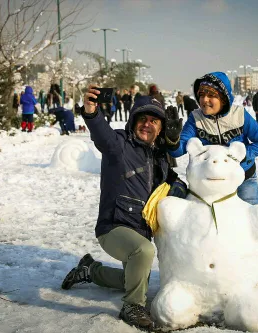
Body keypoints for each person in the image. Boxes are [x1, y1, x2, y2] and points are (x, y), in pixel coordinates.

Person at [61, 87, 178, 330]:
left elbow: (175, 184)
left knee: (135, 279)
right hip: (113, 227)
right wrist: (91, 113)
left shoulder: (159, 157)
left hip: (139, 230)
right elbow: (102, 135)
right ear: (133, 121)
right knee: (144, 252)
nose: (147, 125)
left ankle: (89, 270)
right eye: (142, 119)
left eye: (154, 121)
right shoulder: (119, 146)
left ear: (161, 127)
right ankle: (132, 307)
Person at [166, 72, 258, 300]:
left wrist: (243, 158)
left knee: (254, 226)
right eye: (201, 95)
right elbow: (180, 149)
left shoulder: (240, 115)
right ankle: (218, 273)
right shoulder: (195, 118)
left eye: (211, 95)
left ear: (224, 96)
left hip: (244, 179)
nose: (204, 100)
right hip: (211, 186)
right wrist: (172, 138)